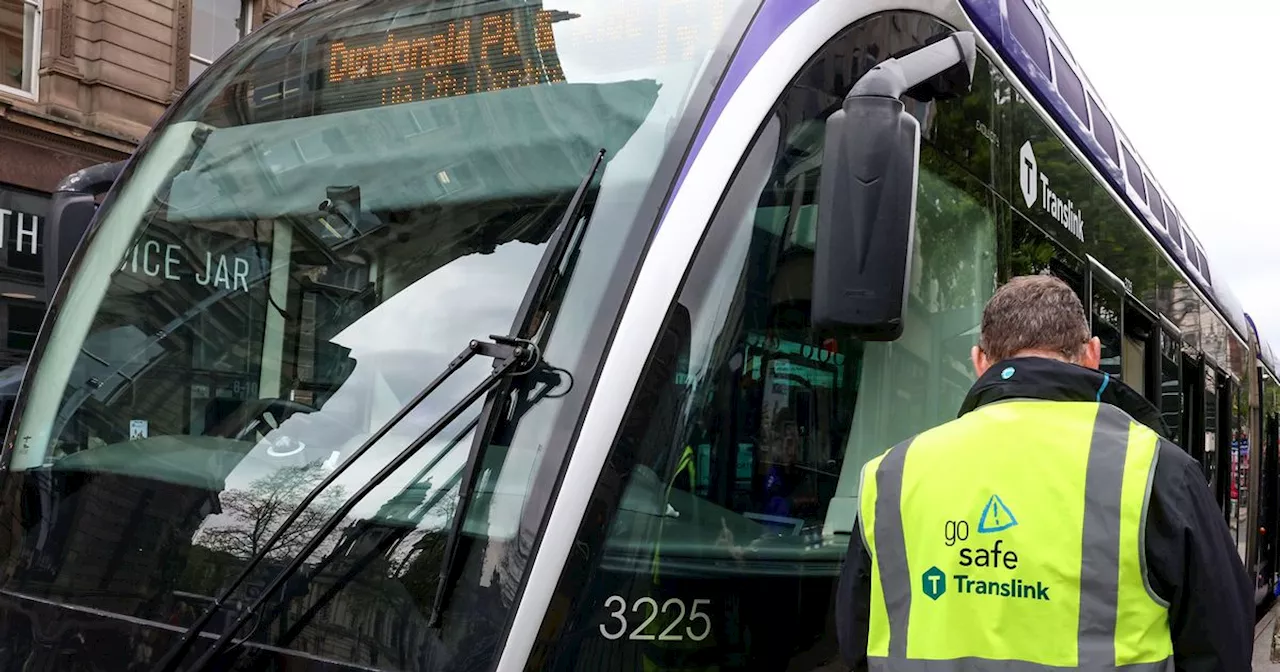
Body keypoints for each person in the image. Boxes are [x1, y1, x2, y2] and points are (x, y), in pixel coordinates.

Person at [835, 274, 1253, 671]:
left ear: (980, 361)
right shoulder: (1158, 471)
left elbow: (856, 643)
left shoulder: (889, 473)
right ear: (1091, 355)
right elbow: (1221, 650)